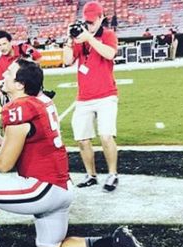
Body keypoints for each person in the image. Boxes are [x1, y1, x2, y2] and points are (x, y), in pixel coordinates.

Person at [0, 59, 148, 247]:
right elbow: (32, 146)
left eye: (9, 72)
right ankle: (113, 241)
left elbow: (4, 164)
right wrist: (4, 143)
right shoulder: (40, 101)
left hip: (43, 188)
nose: (3, 74)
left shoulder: (19, 108)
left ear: (20, 84)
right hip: (61, 188)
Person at [63, 1, 119, 192]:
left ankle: (112, 174)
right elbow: (67, 60)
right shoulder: (81, 38)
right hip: (84, 97)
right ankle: (91, 175)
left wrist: (90, 38)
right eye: (87, 22)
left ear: (101, 18)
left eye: (92, 22)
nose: (89, 25)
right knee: (82, 139)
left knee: (106, 136)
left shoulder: (108, 35)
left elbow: (110, 54)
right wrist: (69, 41)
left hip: (106, 95)